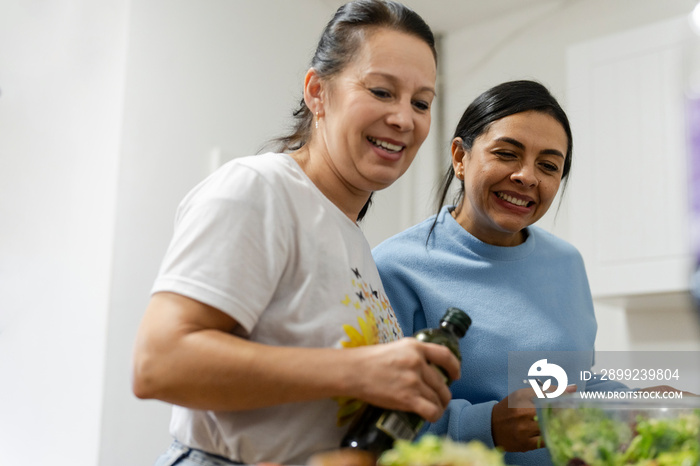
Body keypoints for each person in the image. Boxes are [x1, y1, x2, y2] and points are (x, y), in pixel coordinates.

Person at [131, 2, 461, 465]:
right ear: (317, 92)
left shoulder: (353, 241)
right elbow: (159, 363)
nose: (405, 119)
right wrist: (359, 370)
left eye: (421, 103)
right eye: (382, 91)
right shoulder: (259, 189)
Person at [372, 80, 631, 466]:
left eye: (548, 165)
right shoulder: (396, 267)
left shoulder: (566, 263)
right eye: (507, 154)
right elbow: (373, 421)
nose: (527, 176)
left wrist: (643, 403)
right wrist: (484, 426)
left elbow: (575, 385)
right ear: (460, 157)